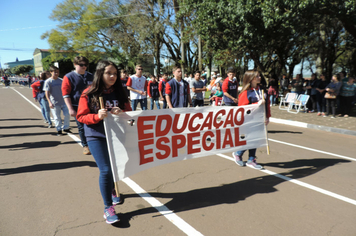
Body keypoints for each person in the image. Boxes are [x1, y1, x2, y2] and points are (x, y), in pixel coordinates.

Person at [76, 60, 132, 224]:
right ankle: (108, 207)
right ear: (100, 73)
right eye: (109, 73)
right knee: (106, 170)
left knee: (116, 167)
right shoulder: (89, 93)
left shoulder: (119, 92)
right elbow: (80, 116)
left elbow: (129, 112)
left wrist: (120, 112)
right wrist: (96, 116)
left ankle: (112, 190)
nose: (113, 76)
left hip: (115, 136)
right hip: (96, 136)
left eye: (115, 73)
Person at [232, 70, 270, 170]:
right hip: (249, 120)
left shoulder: (262, 90)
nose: (259, 77)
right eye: (257, 76)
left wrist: (267, 117)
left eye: (259, 76)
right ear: (251, 78)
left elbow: (267, 105)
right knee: (252, 139)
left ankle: (251, 159)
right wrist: (256, 104)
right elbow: (242, 109)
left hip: (260, 119)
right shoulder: (245, 93)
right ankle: (239, 153)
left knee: (256, 139)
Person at [62, 56, 93, 155]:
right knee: (81, 127)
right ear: (75, 65)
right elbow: (66, 94)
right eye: (81, 65)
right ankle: (85, 145)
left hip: (91, 105)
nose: (84, 67)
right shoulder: (69, 77)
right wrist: (70, 108)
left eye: (86, 65)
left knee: (92, 124)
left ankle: (93, 143)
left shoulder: (91, 76)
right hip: (77, 106)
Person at [44, 66, 70, 136]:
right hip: (54, 103)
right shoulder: (48, 81)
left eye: (57, 72)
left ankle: (66, 128)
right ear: (51, 72)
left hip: (63, 102)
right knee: (57, 117)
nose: (56, 73)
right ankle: (59, 130)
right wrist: (49, 102)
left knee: (67, 114)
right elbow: (47, 93)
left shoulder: (61, 80)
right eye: (55, 72)